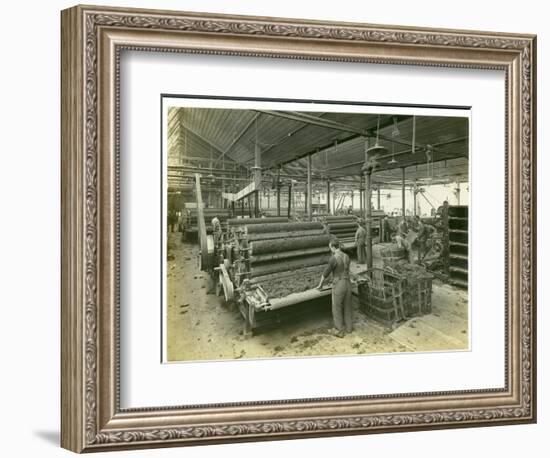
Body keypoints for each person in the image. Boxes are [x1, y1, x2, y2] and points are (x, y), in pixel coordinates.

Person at [317, 239, 353, 338]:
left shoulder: (333, 258)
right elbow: (347, 270)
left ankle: (339, 331)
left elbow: (326, 273)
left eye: (330, 248)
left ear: (333, 247)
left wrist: (320, 284)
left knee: (336, 307)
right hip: (347, 283)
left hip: (339, 285)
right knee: (348, 306)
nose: (330, 250)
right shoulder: (346, 256)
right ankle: (349, 328)